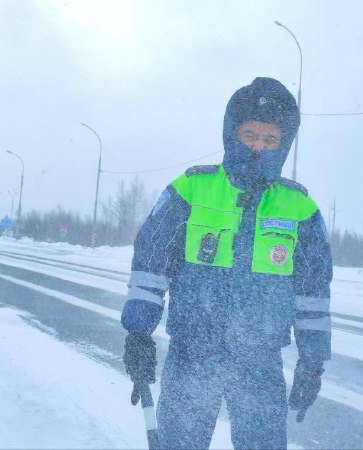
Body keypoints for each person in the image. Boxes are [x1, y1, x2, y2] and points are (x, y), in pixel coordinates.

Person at [121, 77, 332, 449]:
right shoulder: (190, 191)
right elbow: (150, 270)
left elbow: (313, 293)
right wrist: (139, 334)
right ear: (230, 133)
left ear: (284, 144)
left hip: (260, 364)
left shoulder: (300, 209)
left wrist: (312, 361)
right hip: (192, 356)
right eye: (250, 134)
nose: (257, 147)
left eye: (270, 140)